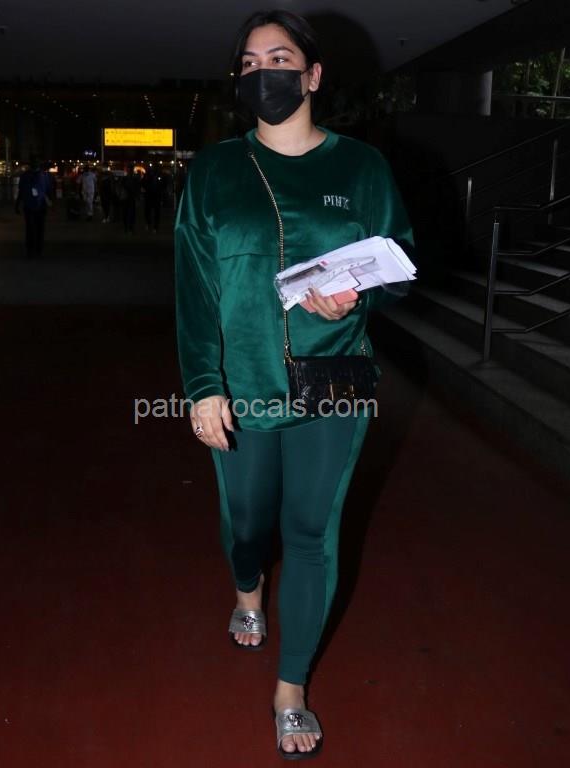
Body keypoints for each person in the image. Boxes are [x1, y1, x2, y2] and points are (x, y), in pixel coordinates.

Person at [174, 9, 414, 760]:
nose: (262, 74)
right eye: (248, 64)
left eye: (278, 59)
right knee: (248, 521)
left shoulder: (361, 167)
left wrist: (357, 293)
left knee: (311, 531)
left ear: (312, 75)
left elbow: (399, 261)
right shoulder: (213, 172)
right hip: (242, 383)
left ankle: (290, 688)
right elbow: (194, 288)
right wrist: (201, 384)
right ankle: (247, 586)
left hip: (333, 379)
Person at [15, 156, 49, 257]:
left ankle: (35, 249)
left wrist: (17, 204)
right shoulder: (42, 175)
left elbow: (21, 191)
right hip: (33, 205)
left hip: (36, 205)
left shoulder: (40, 175)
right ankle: (34, 249)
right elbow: (21, 191)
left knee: (35, 228)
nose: (35, 164)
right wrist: (17, 204)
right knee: (34, 228)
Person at [142, 165, 163, 232]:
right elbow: (143, 183)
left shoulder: (159, 175)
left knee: (155, 212)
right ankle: (149, 224)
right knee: (148, 211)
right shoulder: (147, 175)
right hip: (149, 195)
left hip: (155, 195)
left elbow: (162, 185)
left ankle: (154, 226)